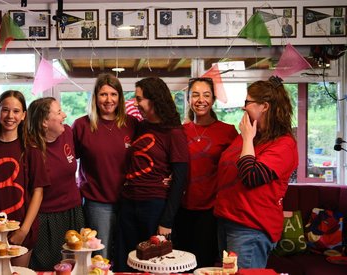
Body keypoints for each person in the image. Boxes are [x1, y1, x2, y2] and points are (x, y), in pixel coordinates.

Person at [214, 76, 298, 269]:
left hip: (250, 228)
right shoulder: (252, 134)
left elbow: (251, 177)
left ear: (264, 106)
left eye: (248, 102)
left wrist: (247, 139)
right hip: (227, 221)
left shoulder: (284, 144)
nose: (244, 107)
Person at [115, 77, 189, 272]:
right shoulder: (141, 126)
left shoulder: (174, 133)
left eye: (139, 99)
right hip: (129, 202)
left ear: (154, 100)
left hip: (155, 206)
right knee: (126, 261)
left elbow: (180, 179)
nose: (136, 103)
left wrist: (167, 221)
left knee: (154, 264)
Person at [0, 90, 49, 267]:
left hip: (21, 229)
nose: (10, 116)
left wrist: (24, 230)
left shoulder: (31, 149)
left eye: (16, 111)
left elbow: (38, 192)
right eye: (5, 110)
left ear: (23, 115)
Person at [173, 77, 238, 268]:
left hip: (211, 212)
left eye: (206, 95)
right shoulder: (179, 131)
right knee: (180, 264)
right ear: (188, 100)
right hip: (181, 209)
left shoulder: (228, 132)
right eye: (195, 95)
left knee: (205, 265)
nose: (201, 100)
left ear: (213, 100)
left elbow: (236, 169)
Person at [72, 73, 138, 261]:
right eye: (103, 94)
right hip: (97, 202)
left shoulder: (132, 124)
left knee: (129, 254)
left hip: (129, 201)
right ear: (95, 97)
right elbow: (66, 161)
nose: (108, 100)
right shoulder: (82, 125)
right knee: (102, 255)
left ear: (120, 98)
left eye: (113, 94)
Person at [27, 97, 85, 271]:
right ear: (44, 121)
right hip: (46, 218)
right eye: (59, 112)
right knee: (48, 267)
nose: (65, 115)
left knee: (76, 266)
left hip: (73, 213)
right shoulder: (30, 148)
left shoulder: (67, 132)